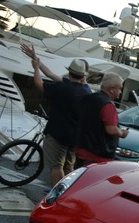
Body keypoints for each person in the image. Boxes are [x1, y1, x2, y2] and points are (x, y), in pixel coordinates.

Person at [21, 44, 91, 187]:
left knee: (56, 166)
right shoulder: (86, 90)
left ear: (70, 73)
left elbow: (39, 84)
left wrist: (35, 69)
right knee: (68, 165)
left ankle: (56, 195)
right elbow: (51, 74)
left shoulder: (62, 88)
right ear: (83, 76)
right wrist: (35, 58)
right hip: (74, 136)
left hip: (58, 133)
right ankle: (67, 192)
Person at [75, 73, 129, 165]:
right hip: (98, 155)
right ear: (111, 89)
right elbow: (111, 130)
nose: (120, 92)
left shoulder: (88, 98)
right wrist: (122, 133)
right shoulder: (107, 105)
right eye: (119, 88)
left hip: (81, 148)